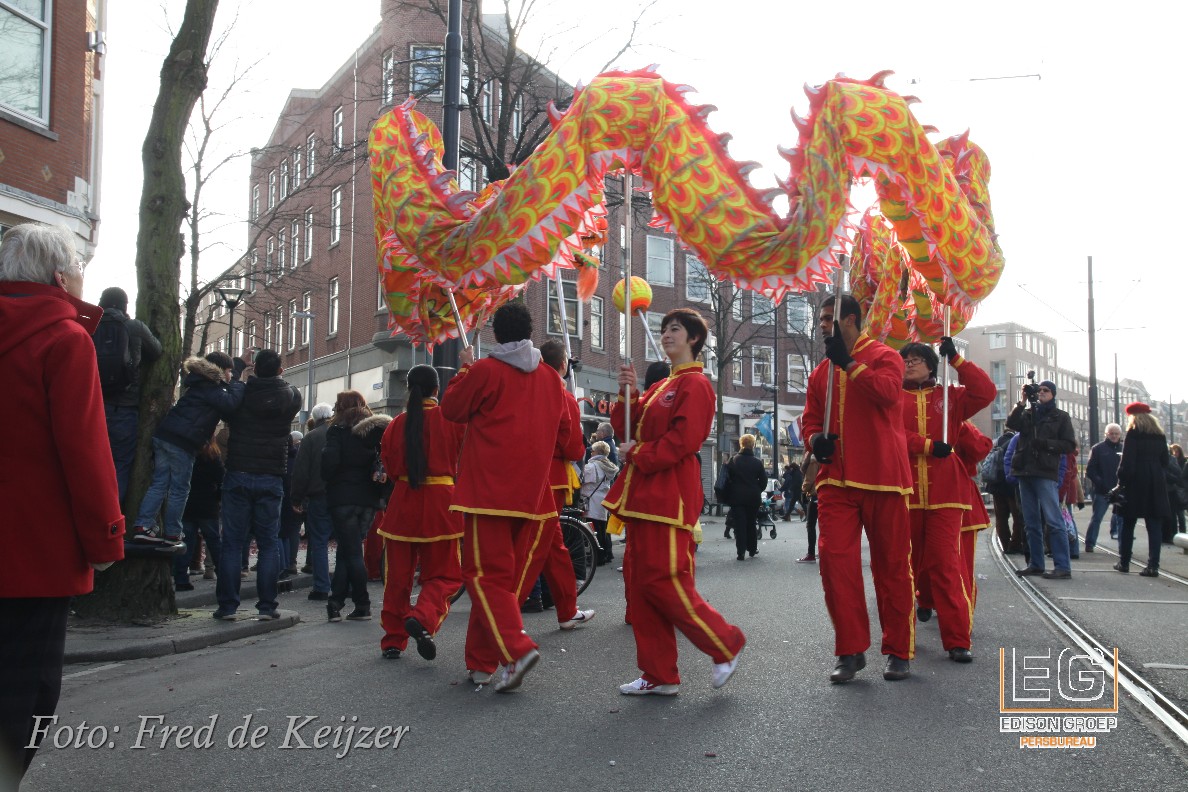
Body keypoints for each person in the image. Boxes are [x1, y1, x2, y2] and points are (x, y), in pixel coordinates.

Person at [0, 223, 124, 784]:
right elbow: (85, 450)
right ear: (58, 276)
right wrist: (105, 538)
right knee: (25, 692)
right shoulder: (65, 340)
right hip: (34, 552)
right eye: (78, 267)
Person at [604, 307, 745, 696]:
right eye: (664, 328)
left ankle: (725, 643)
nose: (666, 334)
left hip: (668, 499)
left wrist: (639, 454)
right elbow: (627, 429)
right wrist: (627, 393)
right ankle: (658, 673)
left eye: (675, 329)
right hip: (642, 498)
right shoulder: (662, 386)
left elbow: (684, 441)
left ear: (694, 339)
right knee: (641, 586)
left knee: (664, 581)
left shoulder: (696, 385)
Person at [440, 302, 570, 692]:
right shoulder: (552, 379)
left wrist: (465, 368)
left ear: (496, 333)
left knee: (484, 577)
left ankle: (516, 649)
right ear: (530, 332)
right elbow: (565, 432)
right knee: (499, 582)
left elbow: (452, 409)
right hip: (531, 494)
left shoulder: (484, 370)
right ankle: (482, 663)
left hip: (488, 491)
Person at [801, 295, 915, 683]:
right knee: (835, 564)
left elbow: (887, 393)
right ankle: (850, 649)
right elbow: (810, 420)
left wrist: (849, 364)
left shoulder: (886, 356)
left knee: (892, 567)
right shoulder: (821, 372)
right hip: (836, 480)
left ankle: (898, 649)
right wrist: (815, 440)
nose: (821, 325)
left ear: (850, 320)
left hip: (885, 478)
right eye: (820, 319)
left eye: (828, 318)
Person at [897, 337, 995, 663]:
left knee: (945, 563)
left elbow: (985, 392)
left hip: (946, 494)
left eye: (916, 359)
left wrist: (957, 360)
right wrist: (925, 446)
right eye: (905, 360)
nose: (909, 364)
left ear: (930, 365)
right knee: (907, 566)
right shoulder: (893, 397)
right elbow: (890, 434)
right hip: (906, 492)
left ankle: (957, 639)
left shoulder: (950, 397)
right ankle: (901, 639)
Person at [377, 366, 466, 660]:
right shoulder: (450, 420)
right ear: (436, 390)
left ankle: (393, 639)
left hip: (403, 504)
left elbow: (390, 467)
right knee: (445, 575)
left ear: (408, 389)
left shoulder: (395, 424)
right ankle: (423, 618)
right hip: (442, 504)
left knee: (397, 579)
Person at [513, 339, 596, 631]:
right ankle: (506, 612)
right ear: (563, 365)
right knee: (536, 547)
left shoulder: (526, 390)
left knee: (552, 547)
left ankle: (567, 609)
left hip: (525, 473)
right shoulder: (563, 396)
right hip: (553, 478)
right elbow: (573, 448)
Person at [213, 349, 301, 620]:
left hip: (238, 472)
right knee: (268, 543)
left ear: (255, 369)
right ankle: (267, 606)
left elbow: (228, 392)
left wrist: (240, 367)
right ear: (280, 371)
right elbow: (290, 390)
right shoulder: (290, 397)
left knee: (232, 543)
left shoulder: (241, 394)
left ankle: (228, 606)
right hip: (271, 476)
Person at [130, 351, 243, 547]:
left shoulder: (199, 383)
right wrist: (237, 384)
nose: (231, 375)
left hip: (165, 435)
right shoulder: (212, 389)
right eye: (229, 371)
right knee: (179, 489)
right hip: (183, 442)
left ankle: (143, 525)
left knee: (160, 483)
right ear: (220, 371)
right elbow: (230, 404)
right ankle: (173, 532)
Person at [321, 391, 391, 622]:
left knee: (351, 553)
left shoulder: (338, 431)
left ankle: (362, 603)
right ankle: (336, 602)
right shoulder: (375, 431)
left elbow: (329, 463)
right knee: (348, 549)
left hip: (343, 497)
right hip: (368, 499)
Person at [95, 285, 162, 505]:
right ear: (125, 306)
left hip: (93, 407)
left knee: (92, 461)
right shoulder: (134, 327)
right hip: (125, 407)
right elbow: (157, 350)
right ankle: (113, 514)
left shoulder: (89, 326)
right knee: (121, 464)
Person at [1005, 379, 1077, 579]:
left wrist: (1045, 444)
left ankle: (1063, 566)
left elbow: (1069, 445)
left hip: (1045, 471)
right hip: (1025, 471)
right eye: (1040, 390)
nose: (1042, 393)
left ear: (1053, 394)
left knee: (1053, 520)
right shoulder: (1028, 413)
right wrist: (1022, 402)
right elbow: (1011, 424)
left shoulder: (1061, 417)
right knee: (1030, 521)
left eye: (1046, 390)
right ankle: (1036, 564)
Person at [1113, 403, 1171, 576]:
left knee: (1128, 522)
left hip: (1136, 482)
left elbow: (1127, 462)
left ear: (1133, 417)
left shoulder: (1133, 433)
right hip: (1156, 482)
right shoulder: (1159, 435)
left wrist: (1121, 482)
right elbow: (1165, 461)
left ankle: (1124, 562)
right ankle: (1153, 566)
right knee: (1154, 525)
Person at [291, 402, 334, 599]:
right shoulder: (342, 433)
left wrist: (296, 498)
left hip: (318, 495)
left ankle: (321, 587)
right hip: (341, 496)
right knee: (346, 542)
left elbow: (301, 471)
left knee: (319, 542)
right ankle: (346, 584)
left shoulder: (311, 437)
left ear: (315, 419)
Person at [176, 435, 226, 591]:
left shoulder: (186, 455)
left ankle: (181, 578)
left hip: (188, 504)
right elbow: (222, 480)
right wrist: (218, 498)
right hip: (208, 505)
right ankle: (224, 577)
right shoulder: (213, 457)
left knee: (187, 542)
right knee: (214, 542)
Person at [726, 435, 768, 561]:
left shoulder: (733, 460)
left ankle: (741, 552)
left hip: (737, 497)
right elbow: (764, 481)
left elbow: (727, 479)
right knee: (751, 522)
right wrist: (757, 489)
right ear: (753, 445)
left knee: (740, 524)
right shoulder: (757, 462)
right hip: (753, 498)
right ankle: (752, 548)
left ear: (741, 444)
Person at [986, 430, 1027, 556]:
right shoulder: (1017, 441)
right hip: (1011, 486)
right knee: (1018, 517)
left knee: (1001, 518)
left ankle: (1005, 544)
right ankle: (1015, 544)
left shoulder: (996, 443)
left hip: (996, 485)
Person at [1084, 424, 1123, 551]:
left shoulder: (1124, 449)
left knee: (1122, 519)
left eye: (1116, 434)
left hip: (1120, 489)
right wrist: (1100, 483)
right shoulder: (1098, 449)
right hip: (1102, 490)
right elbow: (1090, 470)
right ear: (1106, 434)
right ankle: (1090, 543)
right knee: (1097, 518)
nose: (1114, 436)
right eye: (1111, 433)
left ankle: (1124, 546)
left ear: (1120, 435)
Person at [581, 441, 619, 565]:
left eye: (592, 451)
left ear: (597, 452)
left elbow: (582, 479)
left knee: (594, 531)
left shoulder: (592, 466)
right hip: (603, 500)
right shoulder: (607, 465)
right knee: (603, 529)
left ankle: (598, 557)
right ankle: (607, 553)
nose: (591, 453)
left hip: (592, 501)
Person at [1058, 447, 1085, 559]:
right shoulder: (1070, 453)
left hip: (1065, 492)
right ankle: (1072, 549)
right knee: (1068, 520)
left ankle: (1072, 549)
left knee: (1066, 520)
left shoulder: (1067, 453)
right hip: (1068, 491)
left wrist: (1061, 494)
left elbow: (1068, 475)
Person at [796, 453, 820, 563]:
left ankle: (811, 554)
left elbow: (810, 479)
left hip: (816, 495)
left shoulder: (813, 459)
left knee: (810, 525)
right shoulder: (826, 456)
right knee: (824, 525)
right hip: (826, 494)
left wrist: (804, 490)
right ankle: (824, 550)